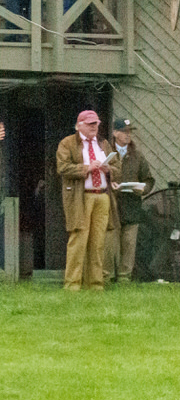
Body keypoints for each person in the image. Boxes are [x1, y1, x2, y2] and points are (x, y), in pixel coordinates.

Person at [56, 109, 120, 291]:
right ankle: (72, 284)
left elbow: (117, 167)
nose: (94, 127)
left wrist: (109, 170)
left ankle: (95, 284)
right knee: (78, 240)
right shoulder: (67, 143)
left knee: (98, 242)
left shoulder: (104, 143)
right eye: (90, 124)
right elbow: (62, 167)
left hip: (102, 195)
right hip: (81, 196)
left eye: (96, 124)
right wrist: (86, 168)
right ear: (80, 126)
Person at [105, 117, 153, 283]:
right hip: (112, 205)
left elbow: (148, 180)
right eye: (124, 131)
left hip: (132, 204)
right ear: (115, 133)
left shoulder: (137, 156)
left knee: (129, 244)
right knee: (110, 244)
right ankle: (109, 276)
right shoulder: (107, 154)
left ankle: (125, 277)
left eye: (130, 132)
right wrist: (109, 185)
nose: (128, 135)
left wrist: (143, 189)